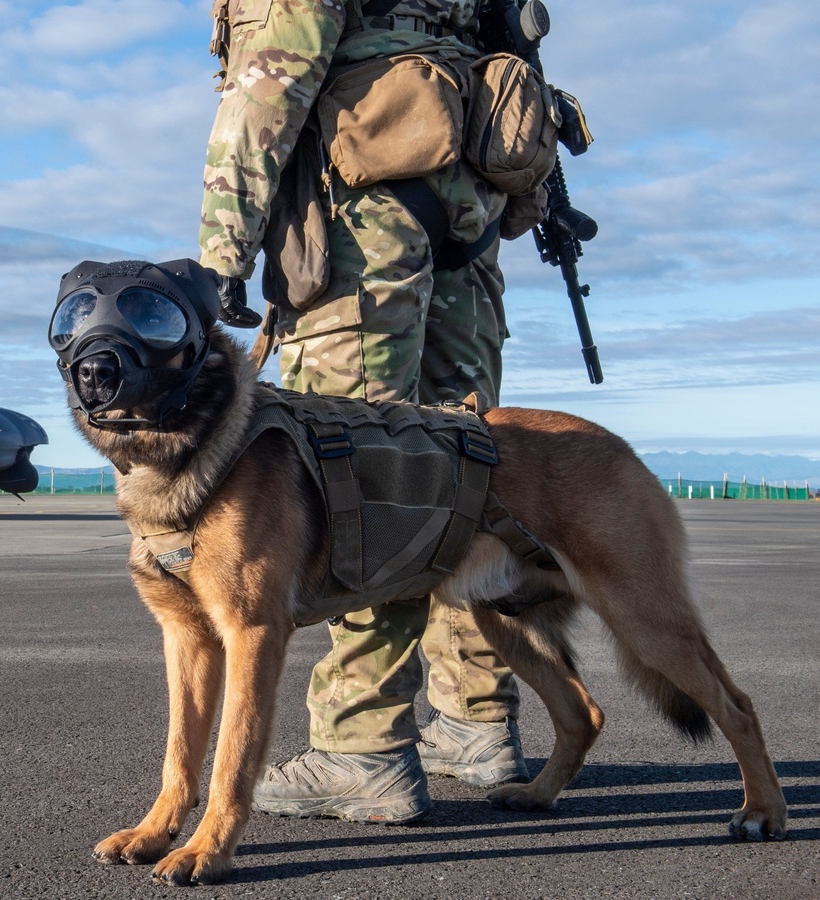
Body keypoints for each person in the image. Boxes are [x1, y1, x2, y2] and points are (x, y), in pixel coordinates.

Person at [198, 0, 530, 824]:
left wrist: (219, 254)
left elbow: (272, 75)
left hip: (365, 227)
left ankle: (362, 745)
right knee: (464, 471)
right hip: (469, 222)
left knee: (362, 482)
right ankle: (477, 720)